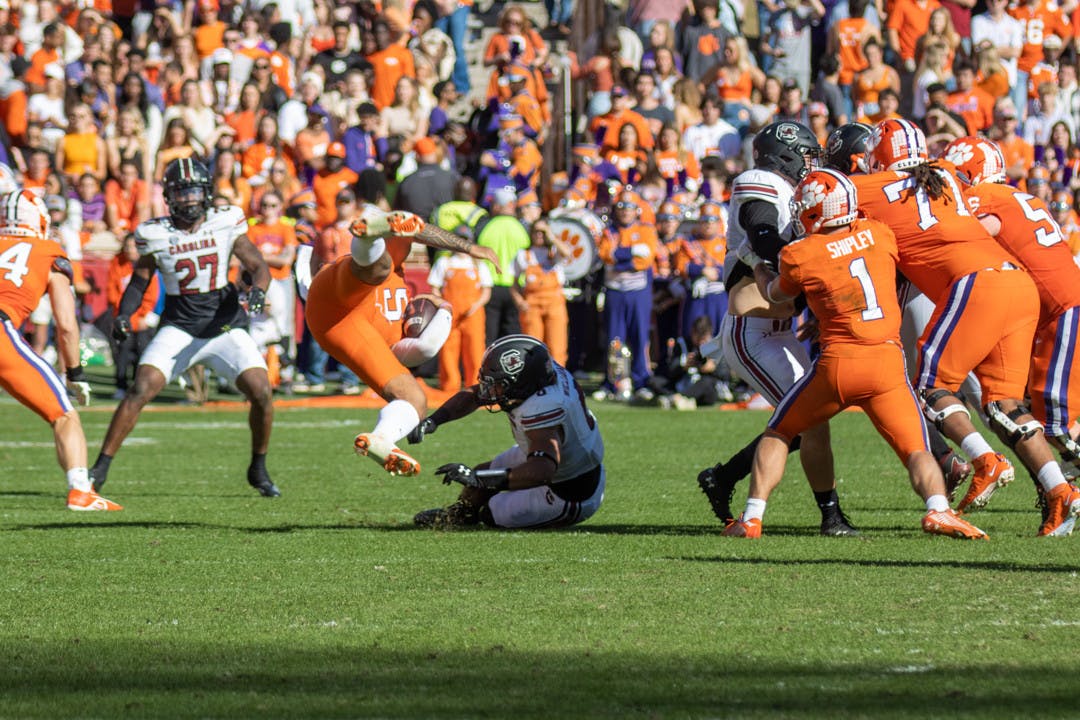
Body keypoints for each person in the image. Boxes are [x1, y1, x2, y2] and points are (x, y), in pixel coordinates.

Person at [723, 169, 987, 540]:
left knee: (780, 431)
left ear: (816, 211)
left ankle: (751, 518)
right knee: (915, 449)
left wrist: (755, 264)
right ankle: (938, 509)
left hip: (837, 366)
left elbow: (775, 295)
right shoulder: (880, 234)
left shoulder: (803, 253)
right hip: (887, 365)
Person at [852, 120, 1078, 532]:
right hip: (1019, 284)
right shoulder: (945, 177)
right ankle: (1059, 489)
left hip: (977, 283)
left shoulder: (873, 187)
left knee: (930, 386)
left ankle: (984, 459)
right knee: (1007, 405)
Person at [697, 121, 857, 536]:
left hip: (781, 327)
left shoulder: (798, 192)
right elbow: (763, 232)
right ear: (783, 154)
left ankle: (726, 477)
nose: (810, 165)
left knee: (810, 417)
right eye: (806, 156)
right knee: (807, 419)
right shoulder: (760, 181)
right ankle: (830, 517)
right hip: (752, 331)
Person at [89, 158, 279, 498]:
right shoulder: (154, 233)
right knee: (140, 389)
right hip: (180, 328)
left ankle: (258, 467)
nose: (189, 199)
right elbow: (139, 282)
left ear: (205, 193)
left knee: (262, 393)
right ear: (170, 196)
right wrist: (123, 314)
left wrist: (257, 291)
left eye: (194, 191)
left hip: (224, 327)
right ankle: (98, 470)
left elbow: (257, 265)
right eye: (182, 192)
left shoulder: (226, 221)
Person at [946, 136, 1080, 534]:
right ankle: (1060, 509)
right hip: (1050, 309)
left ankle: (1064, 494)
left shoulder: (985, 198)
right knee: (1032, 415)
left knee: (1053, 425)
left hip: (1060, 309)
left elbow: (971, 235)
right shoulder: (1020, 196)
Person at [304, 205, 499, 477]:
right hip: (339, 292)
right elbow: (416, 228)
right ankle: (366, 236)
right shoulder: (395, 268)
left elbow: (413, 228)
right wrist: (467, 247)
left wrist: (442, 308)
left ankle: (381, 439)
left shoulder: (402, 341)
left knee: (416, 400)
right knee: (380, 268)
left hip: (345, 324)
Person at [0, 190, 122, 512]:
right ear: (39, 219)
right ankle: (81, 490)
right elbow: (67, 325)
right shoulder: (48, 251)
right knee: (63, 413)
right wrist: (76, 371)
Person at [407, 335, 605, 529]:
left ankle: (479, 513)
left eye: (500, 385)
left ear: (523, 383)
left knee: (490, 511)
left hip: (570, 491)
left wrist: (479, 480)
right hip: (566, 460)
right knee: (482, 473)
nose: (491, 391)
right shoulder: (540, 373)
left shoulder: (543, 407)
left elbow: (542, 470)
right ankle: (460, 515)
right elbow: (476, 395)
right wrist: (434, 420)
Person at [596, 190, 657, 400]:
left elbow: (646, 261)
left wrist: (620, 257)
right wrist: (632, 252)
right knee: (614, 338)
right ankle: (613, 382)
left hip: (638, 292)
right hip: (615, 291)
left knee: (639, 336)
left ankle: (641, 382)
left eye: (629, 207)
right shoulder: (609, 231)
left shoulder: (646, 230)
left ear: (636, 210)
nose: (625, 212)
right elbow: (605, 255)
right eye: (621, 207)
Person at [428, 236, 493, 392]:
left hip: (473, 314)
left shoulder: (478, 264)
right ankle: (449, 385)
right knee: (448, 349)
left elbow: (486, 291)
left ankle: (475, 384)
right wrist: (442, 304)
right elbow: (435, 287)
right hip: (450, 312)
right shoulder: (445, 262)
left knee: (475, 349)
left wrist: (476, 305)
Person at [511, 218, 571, 366]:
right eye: (536, 231)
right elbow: (513, 282)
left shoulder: (554, 252)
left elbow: (567, 252)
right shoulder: (524, 254)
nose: (539, 235)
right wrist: (519, 301)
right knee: (532, 347)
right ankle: (534, 384)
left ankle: (558, 383)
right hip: (532, 303)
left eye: (542, 232)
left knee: (557, 346)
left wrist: (551, 236)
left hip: (554, 303)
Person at [476, 186, 531, 344]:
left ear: (497, 206)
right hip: (516, 286)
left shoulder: (486, 227)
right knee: (512, 335)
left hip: (491, 286)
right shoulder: (522, 229)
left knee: (489, 335)